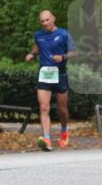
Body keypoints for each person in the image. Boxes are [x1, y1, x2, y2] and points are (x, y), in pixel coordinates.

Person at [25, 10, 77, 150]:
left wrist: (63, 57)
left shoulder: (64, 34)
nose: (45, 23)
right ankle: (47, 139)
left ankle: (64, 131)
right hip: (44, 73)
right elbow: (36, 49)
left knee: (62, 110)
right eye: (42, 21)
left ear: (53, 18)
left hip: (60, 74)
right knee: (44, 107)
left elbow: (74, 52)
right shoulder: (38, 35)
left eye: (47, 20)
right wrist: (31, 55)